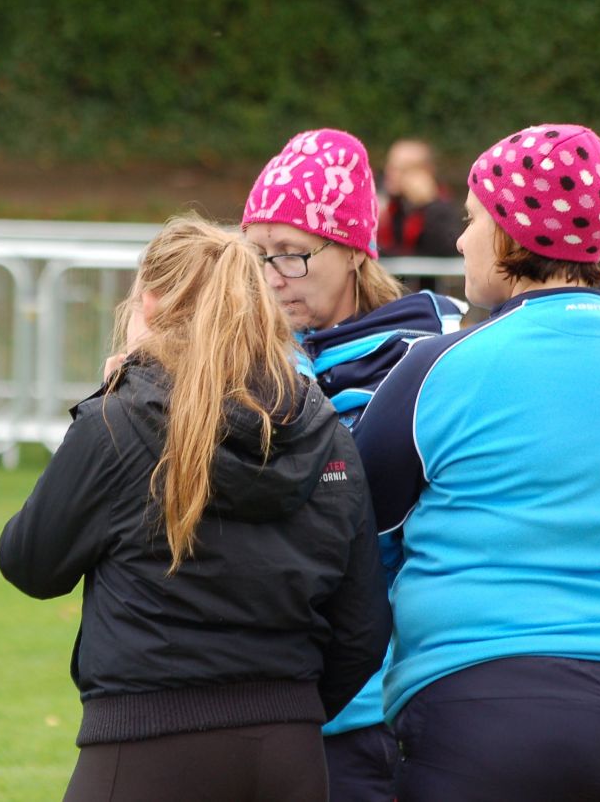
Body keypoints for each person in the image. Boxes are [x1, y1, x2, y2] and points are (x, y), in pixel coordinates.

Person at [354, 123, 600, 801]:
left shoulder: (438, 364)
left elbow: (358, 519)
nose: (459, 239)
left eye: (473, 217)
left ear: (513, 231)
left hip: (484, 697)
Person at [0, 216, 391, 802]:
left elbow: (30, 562)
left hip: (147, 742)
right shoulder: (323, 429)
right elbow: (362, 627)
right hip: (290, 752)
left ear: (148, 305)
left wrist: (112, 397)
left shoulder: (123, 421)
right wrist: (288, 706)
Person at [242, 127, 464, 800]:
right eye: (256, 256)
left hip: (381, 702)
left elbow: (349, 510)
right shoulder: (267, 358)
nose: (273, 276)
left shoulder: (416, 360)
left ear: (353, 251)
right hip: (279, 697)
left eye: (292, 254)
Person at [378, 137, 462, 258]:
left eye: (401, 169)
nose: (390, 173)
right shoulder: (388, 205)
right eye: (390, 166)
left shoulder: (441, 208)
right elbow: (375, 247)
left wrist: (428, 203)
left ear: (425, 172)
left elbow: (448, 249)